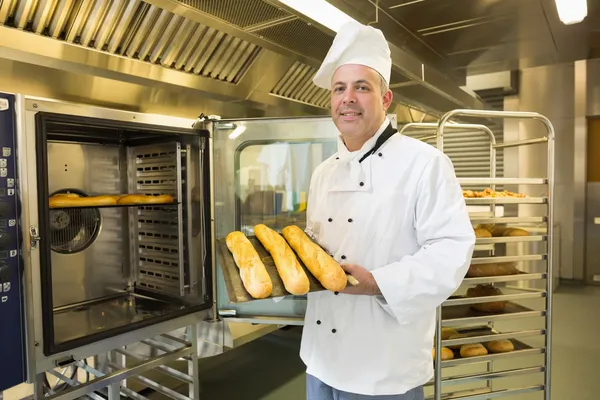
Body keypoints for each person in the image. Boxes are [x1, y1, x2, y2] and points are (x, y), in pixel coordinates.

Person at [301, 20, 476, 400]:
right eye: (339, 88)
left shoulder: (425, 163)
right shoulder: (322, 171)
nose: (348, 98)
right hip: (319, 359)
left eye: (362, 87)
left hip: (383, 366)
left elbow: (451, 252)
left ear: (385, 99)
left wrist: (378, 283)